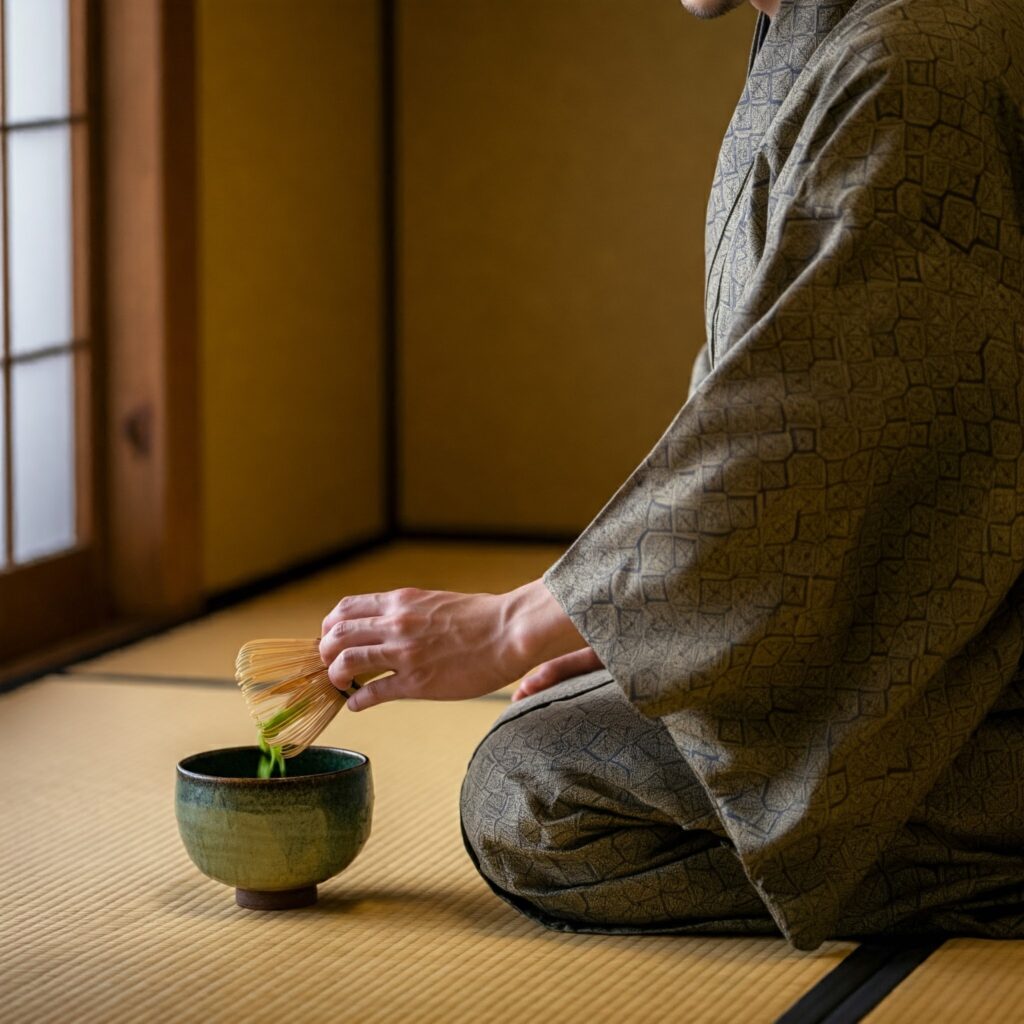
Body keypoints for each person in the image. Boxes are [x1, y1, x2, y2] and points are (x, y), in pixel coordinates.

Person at [319, 0, 1024, 951]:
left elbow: (800, 438)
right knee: (582, 727)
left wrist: (512, 624)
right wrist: (648, 630)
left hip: (990, 675)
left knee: (536, 799)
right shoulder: (834, 33)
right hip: (944, 614)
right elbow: (762, 390)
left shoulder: (905, 65)